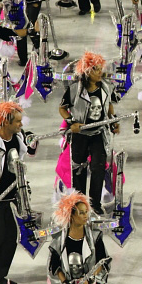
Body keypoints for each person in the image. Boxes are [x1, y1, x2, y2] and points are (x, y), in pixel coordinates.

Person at [58, 52, 120, 215]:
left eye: (100, 69)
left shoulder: (106, 88)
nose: (100, 72)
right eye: (95, 69)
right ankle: (80, 204)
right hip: (80, 135)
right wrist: (72, 122)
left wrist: (113, 121)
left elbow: (109, 106)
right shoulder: (73, 90)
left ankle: (95, 204)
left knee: (99, 167)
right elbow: (62, 108)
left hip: (98, 133)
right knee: (78, 168)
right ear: (86, 72)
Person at [47, 192, 111, 284]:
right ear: (71, 216)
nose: (86, 215)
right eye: (81, 213)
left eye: (86, 211)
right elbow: (54, 266)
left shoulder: (95, 237)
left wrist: (89, 279)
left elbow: (102, 262)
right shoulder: (59, 240)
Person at [0, 101, 36, 284]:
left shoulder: (17, 137)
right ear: (6, 122)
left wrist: (33, 141)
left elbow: (29, 150)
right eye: (17, 122)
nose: (21, 125)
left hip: (11, 197)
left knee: (11, 236)